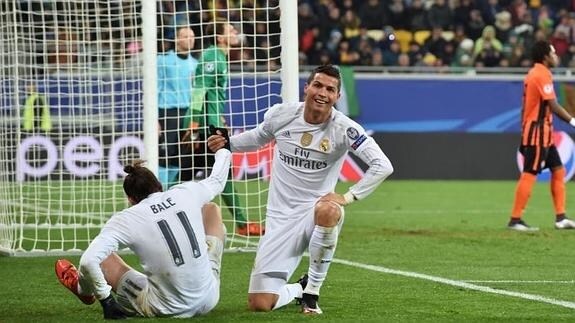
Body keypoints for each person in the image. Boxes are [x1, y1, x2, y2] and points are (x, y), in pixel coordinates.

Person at [207, 64, 394, 314]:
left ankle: (312, 294)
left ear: (337, 97)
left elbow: (382, 165)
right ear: (307, 87)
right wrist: (228, 143)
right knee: (260, 304)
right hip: (280, 218)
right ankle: (299, 288)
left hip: (314, 211)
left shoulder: (344, 128)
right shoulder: (282, 115)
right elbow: (258, 137)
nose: (322, 93)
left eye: (330, 89)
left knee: (330, 209)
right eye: (317, 85)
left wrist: (348, 196)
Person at [54, 147, 231, 319]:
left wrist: (106, 300)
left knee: (102, 257)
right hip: (209, 297)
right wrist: (224, 149)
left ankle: (83, 290)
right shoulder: (185, 192)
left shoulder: (127, 218)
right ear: (159, 186)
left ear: (130, 199)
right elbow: (217, 181)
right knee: (211, 209)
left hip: (167, 308)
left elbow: (88, 260)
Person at [184, 18, 264, 236]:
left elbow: (210, 94)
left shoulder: (220, 57)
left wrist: (220, 119)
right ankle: (242, 223)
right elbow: (200, 90)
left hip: (213, 123)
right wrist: (192, 123)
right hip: (206, 127)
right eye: (230, 29)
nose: (235, 31)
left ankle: (242, 222)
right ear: (220, 37)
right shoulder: (212, 56)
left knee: (199, 172)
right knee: (191, 171)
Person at [508, 40, 575, 232]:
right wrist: (572, 121)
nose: (556, 56)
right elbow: (553, 106)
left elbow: (525, 108)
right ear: (545, 56)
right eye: (553, 53)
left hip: (543, 132)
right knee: (530, 172)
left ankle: (561, 218)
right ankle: (515, 219)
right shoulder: (541, 74)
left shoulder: (536, 73)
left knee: (558, 170)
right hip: (538, 133)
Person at [157, 26, 198, 188]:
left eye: (192, 36)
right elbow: (154, 89)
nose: (190, 39)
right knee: (165, 154)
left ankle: (173, 194)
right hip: (168, 113)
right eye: (186, 36)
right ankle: (159, 193)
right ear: (177, 39)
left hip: (188, 114)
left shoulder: (196, 64)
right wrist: (154, 119)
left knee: (183, 157)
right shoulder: (163, 61)